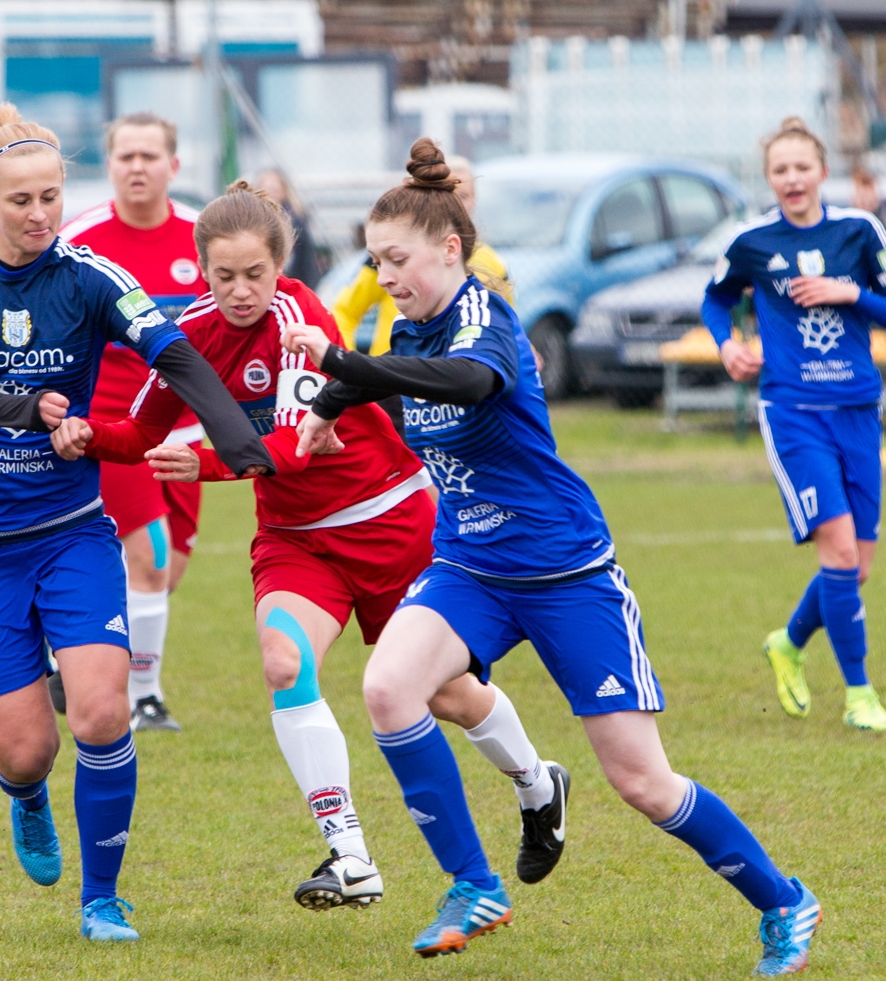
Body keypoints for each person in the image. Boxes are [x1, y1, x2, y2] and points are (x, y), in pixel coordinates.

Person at [284, 138, 819, 973]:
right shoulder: (408, 321)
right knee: (388, 688)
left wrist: (346, 367)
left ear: (449, 248)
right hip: (470, 564)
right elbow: (391, 370)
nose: (384, 276)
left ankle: (785, 899)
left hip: (567, 572)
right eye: (374, 260)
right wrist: (330, 402)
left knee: (643, 782)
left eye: (397, 259)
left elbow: (466, 384)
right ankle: (474, 883)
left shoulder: (484, 315)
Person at [52, 181, 571, 912]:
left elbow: (296, 446)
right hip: (297, 541)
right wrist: (83, 437)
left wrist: (200, 461)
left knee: (449, 693)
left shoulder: (300, 315)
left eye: (254, 275)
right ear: (201, 269)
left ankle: (536, 781)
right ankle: (350, 852)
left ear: (281, 264)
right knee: (283, 661)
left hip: (388, 522)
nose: (239, 292)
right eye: (223, 276)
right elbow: (138, 432)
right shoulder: (193, 331)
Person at [0, 104, 272, 942]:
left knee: (103, 713)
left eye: (51, 197)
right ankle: (27, 796)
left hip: (70, 527)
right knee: (27, 749)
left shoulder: (92, 276)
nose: (40, 216)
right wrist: (31, 409)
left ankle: (101, 898)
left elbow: (174, 352)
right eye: (21, 202)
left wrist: (237, 437)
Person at [703, 117, 886, 733]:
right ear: (768, 178)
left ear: (823, 171)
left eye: (802, 167)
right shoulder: (752, 241)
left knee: (858, 565)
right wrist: (727, 345)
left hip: (858, 408)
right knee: (842, 551)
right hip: (792, 411)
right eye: (780, 170)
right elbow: (715, 298)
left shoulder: (860, 230)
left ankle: (789, 643)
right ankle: (859, 696)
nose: (792, 179)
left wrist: (848, 293)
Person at [57, 112, 204, 731]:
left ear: (173, 165)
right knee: (148, 556)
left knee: (165, 573)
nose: (137, 167)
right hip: (115, 430)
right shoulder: (81, 240)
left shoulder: (203, 236)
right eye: (126, 156)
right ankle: (143, 697)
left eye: (150, 156)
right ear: (110, 165)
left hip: (191, 434)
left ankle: (76, 654)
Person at [330, 155, 515, 355]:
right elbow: (344, 313)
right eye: (447, 192)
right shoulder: (387, 254)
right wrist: (352, 368)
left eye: (462, 196)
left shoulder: (491, 264)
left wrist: (524, 354)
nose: (385, 277)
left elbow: (508, 329)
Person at [254, 168, 322, 284]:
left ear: (284, 190)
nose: (271, 193)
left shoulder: (297, 222)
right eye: (267, 188)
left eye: (275, 188)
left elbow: (306, 263)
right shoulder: (251, 221)